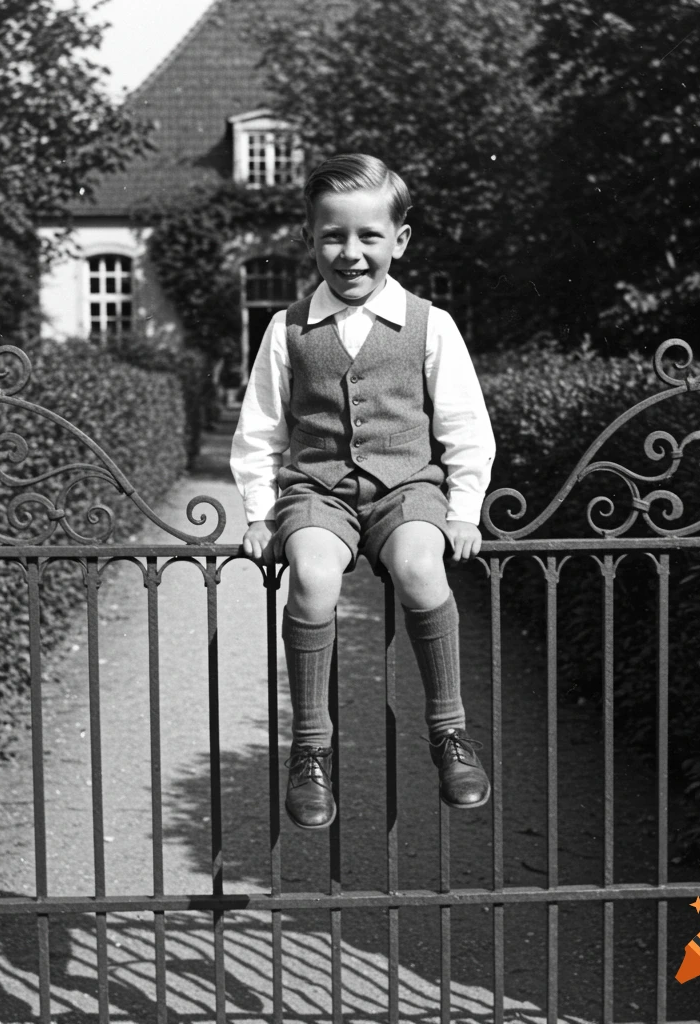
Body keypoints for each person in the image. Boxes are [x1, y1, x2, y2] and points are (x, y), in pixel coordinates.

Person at [231, 153, 496, 830]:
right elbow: (259, 429)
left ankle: (450, 733)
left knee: (417, 564)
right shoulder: (286, 329)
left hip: (406, 490)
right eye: (333, 236)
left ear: (398, 241)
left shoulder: (429, 324)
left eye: (369, 236)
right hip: (317, 492)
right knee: (313, 576)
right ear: (309, 239)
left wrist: (463, 511)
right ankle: (310, 749)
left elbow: (466, 425)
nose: (350, 254)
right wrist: (261, 515)